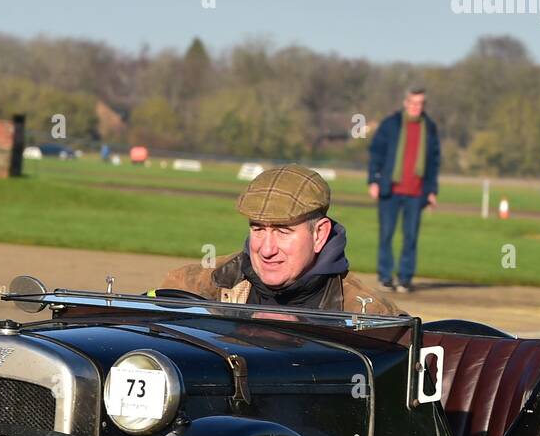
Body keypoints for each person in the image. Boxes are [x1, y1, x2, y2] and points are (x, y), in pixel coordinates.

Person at [157, 163, 399, 314]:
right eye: (258, 229)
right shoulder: (205, 282)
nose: (267, 249)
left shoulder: (366, 314)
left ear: (320, 234)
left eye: (283, 231)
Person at [367, 87, 440, 293]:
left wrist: (432, 190)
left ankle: (405, 278)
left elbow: (434, 161)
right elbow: (376, 152)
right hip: (390, 190)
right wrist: (373, 180)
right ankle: (385, 276)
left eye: (421, 104)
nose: (417, 107)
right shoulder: (391, 124)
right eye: (414, 103)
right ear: (406, 103)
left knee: (411, 237)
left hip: (417, 193)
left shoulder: (430, 127)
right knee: (387, 234)